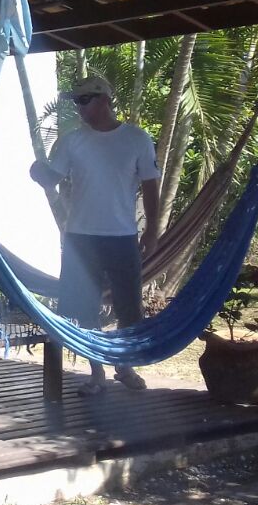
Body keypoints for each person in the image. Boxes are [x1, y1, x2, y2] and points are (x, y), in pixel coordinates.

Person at [29, 74, 160, 395]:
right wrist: (37, 172)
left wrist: (152, 231)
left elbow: (150, 186)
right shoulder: (72, 141)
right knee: (84, 307)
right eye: (77, 101)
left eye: (85, 100)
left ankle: (124, 366)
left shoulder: (137, 139)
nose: (80, 107)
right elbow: (51, 179)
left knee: (129, 307)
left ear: (104, 100)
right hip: (81, 238)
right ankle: (96, 372)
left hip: (122, 236)